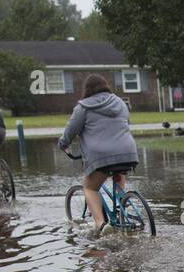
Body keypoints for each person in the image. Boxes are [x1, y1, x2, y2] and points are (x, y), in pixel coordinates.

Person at [57, 74, 138, 231]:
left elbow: (70, 130)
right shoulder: (120, 102)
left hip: (100, 156)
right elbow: (126, 123)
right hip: (128, 152)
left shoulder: (83, 107)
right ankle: (121, 209)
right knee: (119, 174)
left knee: (90, 187)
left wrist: (63, 144)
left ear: (86, 89)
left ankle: (100, 224)